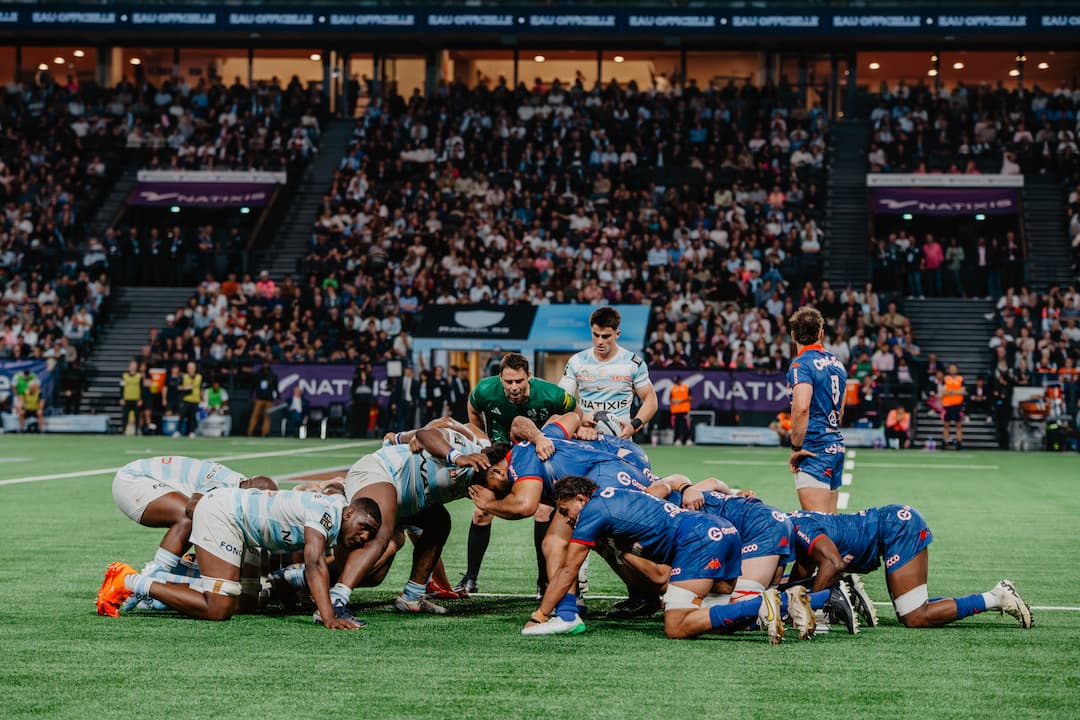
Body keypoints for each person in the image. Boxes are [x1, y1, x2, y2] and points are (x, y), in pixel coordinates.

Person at [524, 476, 817, 643]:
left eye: (565, 510)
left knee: (676, 626)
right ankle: (808, 598)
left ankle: (766, 603)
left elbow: (567, 569)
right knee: (719, 604)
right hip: (723, 531)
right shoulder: (620, 496)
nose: (567, 519)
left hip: (698, 539)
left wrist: (539, 616)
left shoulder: (593, 512)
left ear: (580, 498)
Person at [97, 488, 382, 629]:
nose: (364, 538)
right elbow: (313, 562)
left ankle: (163, 581)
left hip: (244, 530)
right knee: (218, 609)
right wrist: (329, 616)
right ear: (348, 513)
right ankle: (131, 581)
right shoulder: (327, 512)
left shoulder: (332, 512)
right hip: (226, 516)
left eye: (370, 535)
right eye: (364, 527)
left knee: (247, 602)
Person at [333, 425, 511, 617]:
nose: (512, 482)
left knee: (438, 523)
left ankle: (412, 596)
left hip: (404, 503)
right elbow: (426, 434)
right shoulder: (466, 449)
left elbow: (518, 508)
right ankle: (336, 602)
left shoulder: (480, 483)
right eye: (510, 475)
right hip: (381, 472)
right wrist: (456, 456)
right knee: (382, 535)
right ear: (497, 471)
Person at [788, 505, 1032, 629]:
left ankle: (997, 597)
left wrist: (814, 612)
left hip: (898, 528)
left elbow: (834, 563)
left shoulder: (799, 528)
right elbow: (797, 580)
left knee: (916, 617)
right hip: (889, 529)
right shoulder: (794, 525)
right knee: (912, 609)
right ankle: (849, 590)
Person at [458, 352, 577, 596]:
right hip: (503, 458)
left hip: (535, 457)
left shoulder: (551, 394)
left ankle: (544, 582)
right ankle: (470, 579)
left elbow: (574, 410)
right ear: (500, 378)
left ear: (529, 377)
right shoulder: (484, 390)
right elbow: (472, 409)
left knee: (542, 510)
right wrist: (484, 441)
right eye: (508, 382)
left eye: (519, 381)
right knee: (481, 511)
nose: (514, 387)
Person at [109, 456, 278, 599]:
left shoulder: (239, 489)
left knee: (203, 517)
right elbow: (193, 507)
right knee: (192, 516)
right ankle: (152, 575)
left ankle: (167, 576)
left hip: (143, 479)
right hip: (133, 479)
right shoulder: (225, 483)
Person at [559, 307, 657, 439]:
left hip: (620, 439)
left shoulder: (633, 363)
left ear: (617, 334)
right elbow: (561, 399)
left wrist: (634, 425)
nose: (600, 341)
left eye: (606, 336)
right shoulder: (577, 361)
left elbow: (650, 399)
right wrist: (580, 418)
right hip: (586, 438)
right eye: (596, 335)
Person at [786, 306, 847, 513]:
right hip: (835, 445)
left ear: (793, 334)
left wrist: (796, 448)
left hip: (813, 449)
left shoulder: (800, 365)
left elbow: (801, 407)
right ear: (821, 333)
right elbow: (840, 412)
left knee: (816, 526)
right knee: (831, 522)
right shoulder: (838, 364)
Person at [247, 363, 278, 437]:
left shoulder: (272, 376)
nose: (266, 366)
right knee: (255, 415)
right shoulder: (258, 376)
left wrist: (278, 397)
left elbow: (275, 387)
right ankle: (250, 432)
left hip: (269, 400)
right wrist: (251, 397)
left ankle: (265, 433)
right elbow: (252, 387)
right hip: (259, 399)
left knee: (267, 417)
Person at [942, 363, 965, 450]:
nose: (952, 370)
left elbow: (962, 391)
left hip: (957, 404)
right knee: (946, 424)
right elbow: (943, 391)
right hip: (947, 404)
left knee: (958, 424)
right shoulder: (946, 379)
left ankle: (959, 443)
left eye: (954, 368)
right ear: (949, 370)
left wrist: (951, 392)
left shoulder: (960, 379)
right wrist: (956, 391)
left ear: (957, 370)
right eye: (951, 368)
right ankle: (944, 442)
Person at [349, 363, 375, 438]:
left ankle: (363, 433)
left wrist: (365, 379)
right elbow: (352, 390)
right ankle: (355, 433)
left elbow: (371, 388)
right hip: (357, 401)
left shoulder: (370, 378)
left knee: (365, 417)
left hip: (366, 401)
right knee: (357, 417)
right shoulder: (356, 379)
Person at [179, 361, 202, 438]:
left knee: (193, 417)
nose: (191, 369)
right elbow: (178, 387)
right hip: (186, 399)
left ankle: (191, 432)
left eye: (192, 368)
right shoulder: (184, 376)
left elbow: (201, 389)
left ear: (195, 368)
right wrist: (185, 388)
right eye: (189, 368)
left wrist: (202, 399)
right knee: (182, 416)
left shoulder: (199, 377)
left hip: (195, 400)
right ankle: (178, 431)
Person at [120, 360, 142, 434]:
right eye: (132, 366)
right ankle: (123, 431)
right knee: (125, 416)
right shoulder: (124, 376)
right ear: (129, 367)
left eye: (134, 366)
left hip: (136, 399)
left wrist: (140, 399)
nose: (133, 367)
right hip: (126, 399)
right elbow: (121, 387)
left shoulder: (139, 376)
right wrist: (121, 398)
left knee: (137, 417)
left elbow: (141, 388)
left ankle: (136, 432)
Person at [669, 375, 692, 445]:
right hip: (675, 411)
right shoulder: (673, 388)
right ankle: (677, 439)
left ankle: (688, 439)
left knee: (685, 426)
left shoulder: (686, 387)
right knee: (676, 426)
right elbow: (670, 399)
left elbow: (690, 398)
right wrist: (674, 400)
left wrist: (681, 400)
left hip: (684, 410)